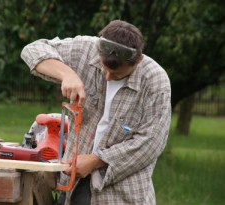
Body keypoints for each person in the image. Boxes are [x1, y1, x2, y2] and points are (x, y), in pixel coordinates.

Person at [21, 20, 171, 205]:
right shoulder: (87, 49)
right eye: (104, 68)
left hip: (121, 192)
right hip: (72, 182)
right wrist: (68, 74)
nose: (107, 77)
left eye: (116, 75)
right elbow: (33, 50)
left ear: (138, 60)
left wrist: (96, 160)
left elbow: (151, 143)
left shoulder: (155, 81)